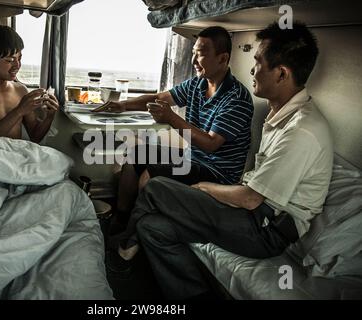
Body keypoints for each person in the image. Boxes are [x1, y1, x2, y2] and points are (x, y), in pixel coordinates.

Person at [109, 22, 333, 300]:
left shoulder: (301, 130)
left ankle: (124, 249)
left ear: (282, 73)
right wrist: (122, 105)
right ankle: (195, 294)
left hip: (266, 229)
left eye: (258, 62)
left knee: (157, 188)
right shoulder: (281, 115)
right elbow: (255, 188)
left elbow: (250, 198)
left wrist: (203, 189)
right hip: (254, 210)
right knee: (151, 227)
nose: (252, 70)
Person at [94, 26, 254, 236]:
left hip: (217, 172)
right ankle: (121, 217)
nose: (194, 61)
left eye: (201, 54)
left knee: (151, 176)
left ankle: (132, 238)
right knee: (135, 154)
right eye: (193, 53)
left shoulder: (237, 99)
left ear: (223, 59)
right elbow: (158, 98)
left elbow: (210, 144)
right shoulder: (197, 84)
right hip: (192, 159)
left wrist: (170, 117)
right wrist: (124, 105)